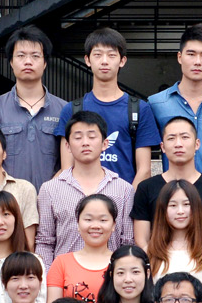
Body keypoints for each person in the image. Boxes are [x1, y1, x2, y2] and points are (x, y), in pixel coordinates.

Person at [57, 27, 161, 185]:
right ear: (87, 60)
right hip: (82, 199)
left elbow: (144, 170)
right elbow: (67, 169)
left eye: (111, 55)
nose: (104, 61)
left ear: (122, 61)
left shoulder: (140, 109)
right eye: (97, 55)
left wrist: (126, 199)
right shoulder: (71, 110)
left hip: (125, 197)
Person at [0, 28, 69, 189]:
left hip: (52, 198)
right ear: (11, 62)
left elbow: (71, 162)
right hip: (5, 200)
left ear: (45, 63)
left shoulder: (64, 109)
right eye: (21, 55)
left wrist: (49, 193)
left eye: (35, 56)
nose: (28, 61)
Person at [38, 111, 136, 261]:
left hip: (110, 273)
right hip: (65, 274)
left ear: (105, 144)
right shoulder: (50, 189)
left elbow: (128, 242)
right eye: (78, 137)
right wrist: (51, 275)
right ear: (67, 146)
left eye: (92, 136)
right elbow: (44, 243)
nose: (85, 142)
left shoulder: (124, 189)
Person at [146, 24, 202, 182]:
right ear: (179, 57)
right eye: (191, 54)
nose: (197, 62)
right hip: (172, 193)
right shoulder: (156, 104)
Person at [132, 114, 202, 246]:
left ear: (197, 144)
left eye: (185, 137)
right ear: (162, 147)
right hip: (157, 258)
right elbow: (141, 240)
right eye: (171, 138)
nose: (178, 144)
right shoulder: (146, 188)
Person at [46, 194, 119, 303]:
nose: (95, 226)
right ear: (78, 223)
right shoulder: (61, 263)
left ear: (113, 225)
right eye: (88, 219)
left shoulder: (121, 262)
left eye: (103, 220)